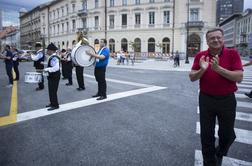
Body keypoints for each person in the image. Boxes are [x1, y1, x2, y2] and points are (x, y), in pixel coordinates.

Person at [189, 28, 243, 166]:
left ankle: (220, 152)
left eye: (218, 37)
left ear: (223, 38)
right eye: (212, 38)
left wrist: (218, 69)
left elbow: (239, 77)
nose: (216, 40)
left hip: (227, 100)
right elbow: (192, 78)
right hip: (206, 99)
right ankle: (209, 162)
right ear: (207, 41)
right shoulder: (201, 55)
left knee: (227, 135)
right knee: (206, 134)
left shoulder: (232, 54)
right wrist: (202, 69)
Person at [44, 43, 61, 111]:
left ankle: (55, 105)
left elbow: (56, 68)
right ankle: (52, 103)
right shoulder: (52, 57)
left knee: (53, 91)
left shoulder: (54, 58)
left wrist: (47, 69)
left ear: (51, 51)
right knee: (51, 90)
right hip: (52, 76)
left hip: (55, 76)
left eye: (48, 50)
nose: (47, 51)